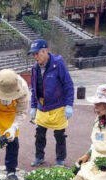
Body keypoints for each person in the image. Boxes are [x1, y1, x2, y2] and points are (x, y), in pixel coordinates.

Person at [28, 39, 74, 167]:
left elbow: (68, 85)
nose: (35, 57)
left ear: (46, 51)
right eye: (33, 54)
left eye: (37, 53)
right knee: (39, 134)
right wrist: (33, 107)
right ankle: (39, 157)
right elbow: (34, 89)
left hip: (58, 106)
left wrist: (69, 105)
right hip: (42, 106)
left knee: (59, 135)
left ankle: (60, 159)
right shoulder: (35, 68)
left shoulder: (58, 64)